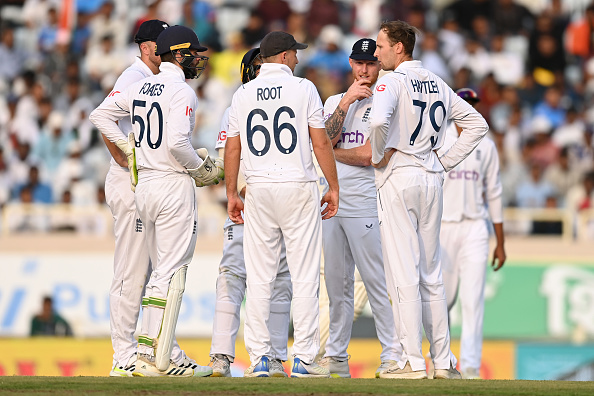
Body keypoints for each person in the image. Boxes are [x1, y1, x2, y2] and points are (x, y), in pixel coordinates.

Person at [90, 25, 222, 377]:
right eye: (193, 52)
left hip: (145, 182)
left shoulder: (143, 82)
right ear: (173, 53)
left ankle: (160, 351)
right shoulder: (147, 78)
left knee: (153, 273)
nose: (198, 58)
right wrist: (201, 170)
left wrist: (132, 151)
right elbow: (178, 144)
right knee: (151, 271)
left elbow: (100, 114)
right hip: (161, 181)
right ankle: (135, 355)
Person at [369, 20, 489, 380]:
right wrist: (444, 161)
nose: (376, 53)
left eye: (380, 46)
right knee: (432, 275)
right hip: (432, 178)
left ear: (399, 48)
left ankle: (411, 360)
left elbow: (376, 122)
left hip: (400, 174)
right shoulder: (437, 80)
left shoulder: (391, 80)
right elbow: (477, 124)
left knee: (404, 272)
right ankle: (443, 361)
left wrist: (377, 156)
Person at [224, 31, 339, 378]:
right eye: (295, 53)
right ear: (285, 56)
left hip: (258, 188)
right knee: (304, 276)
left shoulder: (243, 93)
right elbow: (320, 144)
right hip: (297, 185)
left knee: (259, 278)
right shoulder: (303, 88)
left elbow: (232, 148)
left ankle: (260, 359)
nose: (298, 59)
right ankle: (303, 359)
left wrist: (232, 193)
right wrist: (333, 186)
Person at [318, 38, 401, 378]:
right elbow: (322, 136)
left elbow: (371, 156)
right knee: (337, 288)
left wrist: (327, 152)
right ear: (351, 64)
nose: (365, 69)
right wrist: (345, 103)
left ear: (380, 64)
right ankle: (336, 356)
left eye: (371, 63)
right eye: (359, 63)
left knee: (376, 283)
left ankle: (393, 354)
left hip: (367, 204)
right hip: (332, 204)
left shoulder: (387, 101)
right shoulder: (337, 100)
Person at [209, 47, 292, 378]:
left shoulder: (287, 102)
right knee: (232, 276)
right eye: (256, 67)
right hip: (249, 205)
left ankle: (273, 357)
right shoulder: (236, 106)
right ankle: (220, 356)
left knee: (280, 280)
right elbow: (227, 159)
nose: (261, 73)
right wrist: (248, 193)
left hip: (271, 204)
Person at [437, 88, 507, 379]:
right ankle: (440, 361)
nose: (469, 109)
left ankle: (470, 367)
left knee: (472, 300)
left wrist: (500, 243)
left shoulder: (486, 145)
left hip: (475, 228)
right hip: (442, 227)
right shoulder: (439, 140)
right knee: (442, 299)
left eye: (473, 105)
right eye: (464, 104)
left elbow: (494, 193)